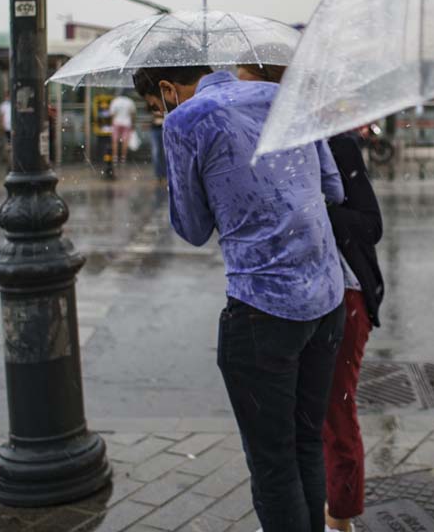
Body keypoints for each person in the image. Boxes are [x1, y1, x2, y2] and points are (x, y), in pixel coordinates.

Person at [133, 62, 346, 532]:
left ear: (168, 89)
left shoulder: (184, 120)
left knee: (272, 463)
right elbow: (334, 186)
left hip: (262, 310)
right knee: (306, 443)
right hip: (327, 301)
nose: (160, 112)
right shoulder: (284, 98)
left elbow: (191, 228)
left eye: (155, 104)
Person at [238, 62, 385, 532]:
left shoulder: (334, 144)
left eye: (249, 82)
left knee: (333, 415)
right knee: (283, 421)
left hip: (343, 293)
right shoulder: (257, 149)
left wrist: (311, 206)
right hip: (278, 297)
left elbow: (369, 225)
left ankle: (341, 519)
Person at [109, 92, 136, 165]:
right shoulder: (130, 101)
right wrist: (133, 124)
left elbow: (112, 114)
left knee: (115, 141)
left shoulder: (115, 101)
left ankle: (115, 158)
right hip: (127, 123)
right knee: (125, 141)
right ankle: (123, 159)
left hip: (116, 123)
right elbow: (132, 114)